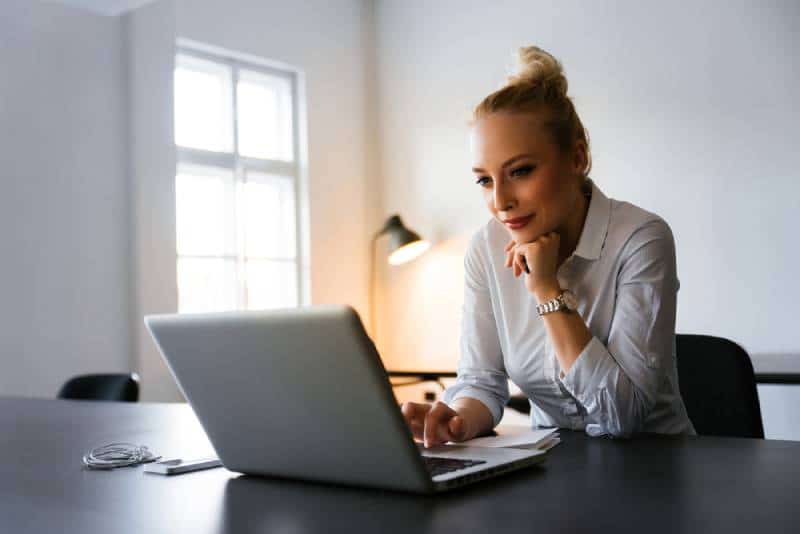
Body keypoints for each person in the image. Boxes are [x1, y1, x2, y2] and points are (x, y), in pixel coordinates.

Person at [401, 45, 696, 447]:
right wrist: (457, 420)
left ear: (577, 157)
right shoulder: (487, 248)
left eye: (520, 171)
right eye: (485, 180)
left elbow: (623, 416)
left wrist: (546, 290)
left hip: (655, 467)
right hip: (553, 466)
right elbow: (481, 383)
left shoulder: (641, 238)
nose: (500, 201)